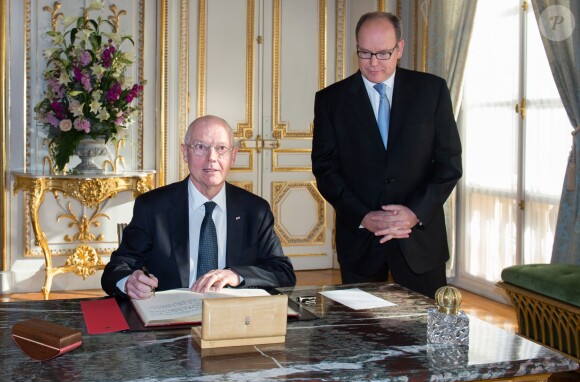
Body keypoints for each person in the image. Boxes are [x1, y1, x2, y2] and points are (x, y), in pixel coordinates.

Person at [311, 12, 462, 298]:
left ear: (400, 48)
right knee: (360, 335)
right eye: (365, 53)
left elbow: (449, 164)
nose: (373, 63)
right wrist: (363, 216)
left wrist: (414, 213)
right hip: (360, 240)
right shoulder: (331, 100)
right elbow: (325, 169)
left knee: (425, 331)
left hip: (419, 239)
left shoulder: (432, 91)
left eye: (383, 53)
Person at [102, 115, 296, 299]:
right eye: (201, 147)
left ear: (233, 156)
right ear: (185, 153)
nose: (211, 157)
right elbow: (117, 268)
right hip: (171, 318)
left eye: (221, 148)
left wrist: (236, 275)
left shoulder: (255, 210)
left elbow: (283, 272)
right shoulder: (153, 207)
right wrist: (129, 282)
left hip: (233, 319)